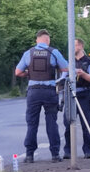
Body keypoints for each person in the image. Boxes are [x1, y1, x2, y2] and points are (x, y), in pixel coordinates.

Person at [15, 29, 69, 163]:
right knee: (51, 122)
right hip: (49, 91)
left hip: (33, 92)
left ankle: (29, 155)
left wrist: (29, 74)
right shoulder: (53, 52)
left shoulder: (28, 53)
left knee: (32, 123)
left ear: (37, 40)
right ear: (48, 40)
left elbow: (18, 72)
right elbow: (66, 69)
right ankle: (55, 155)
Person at [63, 38, 90, 159]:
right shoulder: (68, 62)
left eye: (75, 45)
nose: (73, 48)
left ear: (81, 46)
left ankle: (88, 150)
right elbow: (63, 79)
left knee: (86, 125)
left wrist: (82, 74)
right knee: (68, 124)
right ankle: (68, 151)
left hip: (84, 95)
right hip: (70, 96)